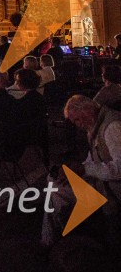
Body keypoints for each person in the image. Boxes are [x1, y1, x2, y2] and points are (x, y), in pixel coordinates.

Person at [42, 95, 121, 247]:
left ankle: (53, 239)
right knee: (54, 181)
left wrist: (85, 169)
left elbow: (119, 168)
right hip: (103, 180)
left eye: (77, 119)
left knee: (56, 191)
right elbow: (93, 158)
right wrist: (76, 170)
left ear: (87, 111)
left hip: (112, 187)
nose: (78, 125)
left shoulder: (112, 127)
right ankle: (52, 237)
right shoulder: (95, 125)